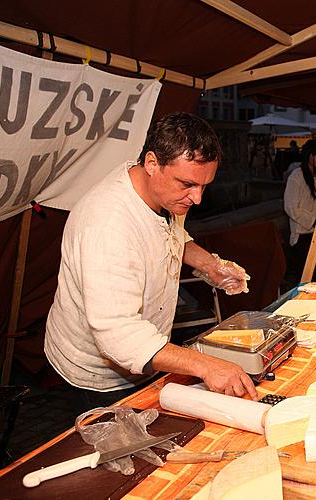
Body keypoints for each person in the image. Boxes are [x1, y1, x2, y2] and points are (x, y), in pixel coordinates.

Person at [45, 112, 258, 409]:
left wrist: (211, 266)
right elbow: (117, 333)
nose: (196, 198)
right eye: (187, 184)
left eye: (203, 186)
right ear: (152, 163)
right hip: (99, 377)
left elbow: (169, 236)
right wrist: (206, 365)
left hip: (147, 353)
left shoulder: (162, 192)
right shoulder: (107, 225)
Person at [283, 139, 316, 277]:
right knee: (305, 277)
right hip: (303, 236)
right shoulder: (296, 177)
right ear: (310, 155)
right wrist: (312, 221)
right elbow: (290, 207)